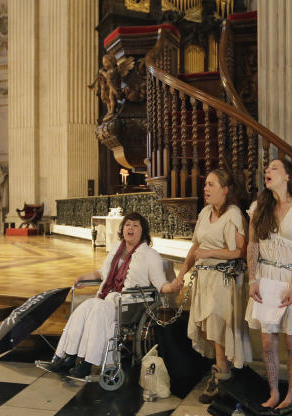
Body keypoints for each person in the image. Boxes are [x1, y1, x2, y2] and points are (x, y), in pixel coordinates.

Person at [42, 212, 182, 379]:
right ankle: (66, 358)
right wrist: (83, 277)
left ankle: (86, 364)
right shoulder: (117, 248)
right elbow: (103, 273)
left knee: (97, 309)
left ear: (143, 231)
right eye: (128, 224)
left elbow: (161, 285)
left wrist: (172, 286)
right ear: (122, 228)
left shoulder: (150, 255)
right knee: (84, 308)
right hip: (108, 299)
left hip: (131, 303)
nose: (130, 228)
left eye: (136, 225)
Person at [244, 158, 292, 409]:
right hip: (265, 277)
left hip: (289, 279)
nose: (267, 171)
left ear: (288, 176)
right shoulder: (258, 207)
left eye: (274, 168)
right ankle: (274, 392)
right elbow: (252, 245)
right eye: (266, 169)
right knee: (267, 341)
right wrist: (252, 279)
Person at [176, 168, 252, 403]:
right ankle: (222, 368)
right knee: (207, 327)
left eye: (211, 185)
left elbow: (241, 251)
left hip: (224, 279)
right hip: (204, 278)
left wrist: (210, 252)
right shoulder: (204, 212)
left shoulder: (234, 215)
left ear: (225, 190)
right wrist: (181, 274)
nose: (206, 189)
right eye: (205, 184)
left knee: (217, 323)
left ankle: (222, 373)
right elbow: (195, 246)